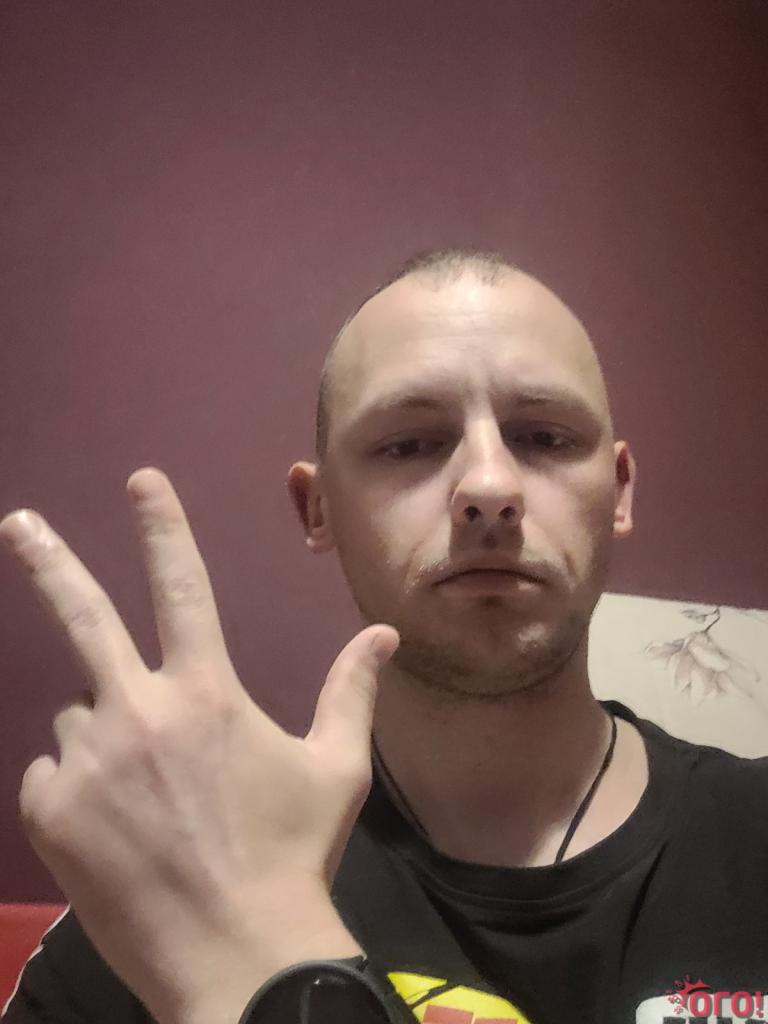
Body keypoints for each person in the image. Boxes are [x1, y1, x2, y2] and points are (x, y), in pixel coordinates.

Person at [2, 249, 767, 1024]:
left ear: (619, 491)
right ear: (318, 509)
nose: (490, 486)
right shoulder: (181, 880)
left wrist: (259, 971)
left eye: (544, 437)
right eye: (410, 444)